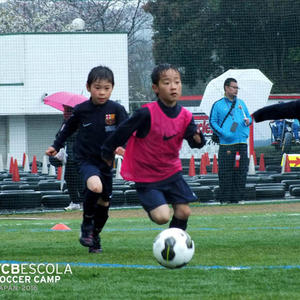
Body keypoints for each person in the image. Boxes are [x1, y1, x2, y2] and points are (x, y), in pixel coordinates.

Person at [101, 63, 205, 232]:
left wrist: (198, 139)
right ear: (155, 88)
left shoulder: (185, 116)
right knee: (162, 217)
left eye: (177, 82)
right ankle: (153, 207)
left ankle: (174, 245)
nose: (173, 87)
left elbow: (195, 142)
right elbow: (122, 132)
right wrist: (107, 152)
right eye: (167, 82)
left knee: (184, 211)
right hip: (147, 176)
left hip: (172, 172)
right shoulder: (146, 113)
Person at [45, 66, 128, 253]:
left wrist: (125, 147)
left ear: (112, 88)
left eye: (106, 88)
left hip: (106, 162)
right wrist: (55, 146)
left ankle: (94, 236)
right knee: (95, 187)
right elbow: (67, 129)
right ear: (89, 87)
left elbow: (126, 131)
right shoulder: (81, 110)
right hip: (86, 160)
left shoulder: (117, 109)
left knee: (105, 203)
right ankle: (86, 225)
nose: (102, 92)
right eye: (98, 87)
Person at [209, 78, 252, 204]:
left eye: (237, 88)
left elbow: (248, 117)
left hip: (242, 142)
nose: (236, 90)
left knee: (242, 171)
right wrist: (224, 133)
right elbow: (213, 122)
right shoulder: (218, 105)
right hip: (227, 143)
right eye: (233, 87)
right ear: (226, 88)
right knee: (226, 172)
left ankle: (238, 198)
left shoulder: (241, 103)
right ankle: (225, 199)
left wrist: (248, 121)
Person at [49, 105, 84, 211]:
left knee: (79, 179)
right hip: (66, 155)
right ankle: (75, 201)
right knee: (69, 179)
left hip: (76, 155)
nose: (64, 113)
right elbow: (59, 135)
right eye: (64, 111)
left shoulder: (78, 121)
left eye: (67, 111)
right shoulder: (65, 122)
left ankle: (84, 201)